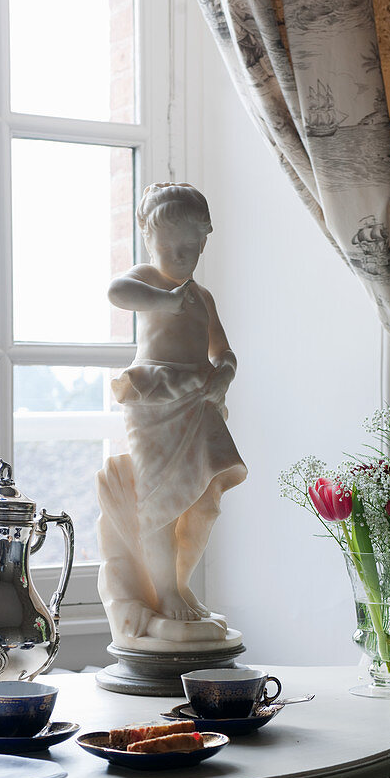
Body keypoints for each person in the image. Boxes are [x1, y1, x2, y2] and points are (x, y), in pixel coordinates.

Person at [97, 183, 246, 640]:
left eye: (189, 247)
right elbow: (116, 291)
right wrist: (162, 300)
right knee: (160, 500)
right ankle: (163, 592)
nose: (179, 258)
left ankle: (179, 584)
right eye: (168, 247)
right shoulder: (149, 280)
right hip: (156, 400)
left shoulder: (202, 297)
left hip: (199, 402)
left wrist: (224, 374)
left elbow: (223, 351)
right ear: (148, 240)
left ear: (205, 240)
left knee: (202, 497)